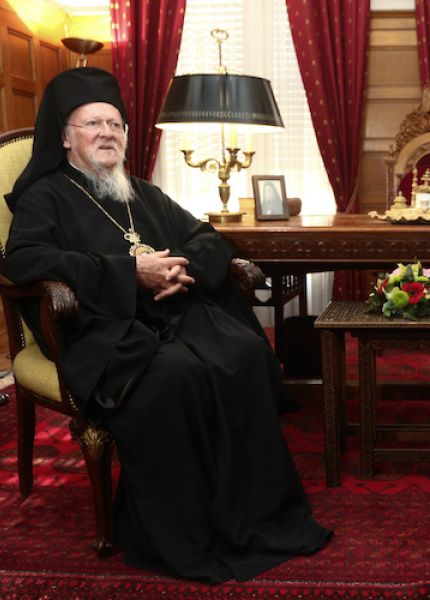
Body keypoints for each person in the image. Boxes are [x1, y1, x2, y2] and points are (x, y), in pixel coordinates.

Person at [4, 67, 331, 583]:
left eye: (116, 124)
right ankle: (186, 532)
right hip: (103, 327)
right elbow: (23, 260)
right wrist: (129, 274)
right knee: (175, 374)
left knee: (244, 353)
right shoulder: (45, 196)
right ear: (65, 137)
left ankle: (254, 515)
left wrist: (179, 268)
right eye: (93, 124)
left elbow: (206, 236)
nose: (108, 133)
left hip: (172, 314)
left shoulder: (139, 191)